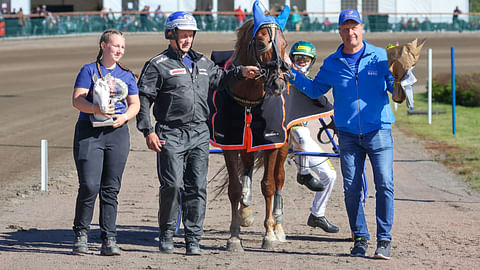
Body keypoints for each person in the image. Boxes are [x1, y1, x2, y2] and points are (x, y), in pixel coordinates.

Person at [136, 11, 258, 256]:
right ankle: (167, 235)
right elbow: (143, 98)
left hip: (200, 133)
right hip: (170, 133)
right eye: (182, 34)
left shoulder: (203, 63)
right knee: (172, 185)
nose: (187, 39)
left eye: (190, 35)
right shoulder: (157, 65)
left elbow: (220, 79)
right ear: (170, 34)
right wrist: (148, 131)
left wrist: (240, 72)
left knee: (197, 187)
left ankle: (193, 239)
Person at [289, 9, 395, 259]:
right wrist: (291, 74)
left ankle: (384, 240)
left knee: (385, 185)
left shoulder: (380, 57)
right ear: (339, 31)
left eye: (354, 27)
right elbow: (315, 90)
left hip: (379, 131)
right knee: (351, 189)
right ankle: (360, 238)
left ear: (362, 28)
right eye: (345, 28)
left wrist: (402, 76)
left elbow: (395, 87)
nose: (350, 32)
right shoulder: (332, 63)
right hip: (348, 134)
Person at [71, 29, 140, 256]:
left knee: (111, 189)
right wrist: (96, 109)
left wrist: (124, 117)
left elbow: (135, 104)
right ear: (103, 46)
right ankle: (81, 234)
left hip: (117, 133)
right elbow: (77, 100)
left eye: (122, 47)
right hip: (89, 132)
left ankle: (109, 239)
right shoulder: (89, 70)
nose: (119, 50)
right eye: (115, 46)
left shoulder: (127, 74)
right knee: (90, 185)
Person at [288, 41, 339, 234]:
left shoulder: (310, 83)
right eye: (298, 58)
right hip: (279, 133)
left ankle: (317, 214)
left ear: (311, 62)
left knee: (330, 175)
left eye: (305, 59)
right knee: (301, 133)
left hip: (301, 139)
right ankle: (304, 173)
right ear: (291, 59)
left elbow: (322, 103)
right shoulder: (282, 78)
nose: (301, 62)